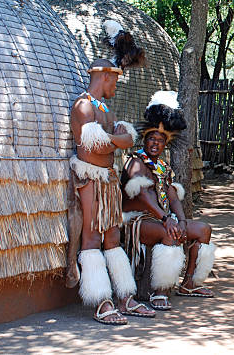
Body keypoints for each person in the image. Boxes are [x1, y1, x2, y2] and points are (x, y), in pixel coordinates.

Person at [68, 58, 155, 325]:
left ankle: (124, 297)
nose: (117, 84)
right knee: (92, 238)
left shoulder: (104, 107)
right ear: (104, 76)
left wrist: (114, 141)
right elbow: (97, 147)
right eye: (115, 79)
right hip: (91, 179)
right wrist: (117, 140)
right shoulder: (83, 106)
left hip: (107, 180)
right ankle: (100, 302)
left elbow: (124, 141)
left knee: (113, 238)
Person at [121, 91, 216, 311]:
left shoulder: (163, 167)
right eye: (151, 139)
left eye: (160, 141)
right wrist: (166, 220)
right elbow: (144, 195)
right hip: (136, 222)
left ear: (165, 144)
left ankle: (190, 283)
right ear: (144, 140)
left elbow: (172, 196)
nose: (155, 143)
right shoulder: (136, 162)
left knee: (203, 230)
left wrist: (181, 220)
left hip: (161, 219)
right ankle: (160, 291)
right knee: (169, 234)